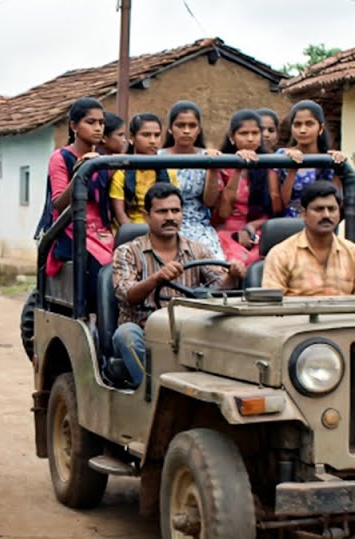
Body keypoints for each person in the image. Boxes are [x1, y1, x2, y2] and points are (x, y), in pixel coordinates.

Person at [110, 183, 245, 387]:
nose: (170, 217)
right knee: (126, 334)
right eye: (162, 212)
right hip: (146, 334)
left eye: (175, 211)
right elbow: (126, 295)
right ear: (147, 216)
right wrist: (156, 278)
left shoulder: (197, 250)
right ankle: (151, 391)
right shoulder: (127, 252)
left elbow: (219, 289)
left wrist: (233, 276)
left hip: (190, 333)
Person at [41, 97, 115, 313]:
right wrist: (81, 172)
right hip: (70, 228)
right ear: (74, 126)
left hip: (102, 230)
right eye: (90, 122)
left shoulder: (104, 159)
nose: (98, 128)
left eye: (101, 123)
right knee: (99, 272)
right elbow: (58, 204)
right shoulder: (61, 157)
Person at [262, 181, 355, 296]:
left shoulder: (354, 254)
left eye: (332, 209)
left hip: (343, 309)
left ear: (339, 213)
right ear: (304, 214)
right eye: (319, 209)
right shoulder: (281, 254)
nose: (326, 215)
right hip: (298, 309)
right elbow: (271, 303)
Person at [213, 109, 280, 266]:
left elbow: (275, 210)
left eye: (255, 133)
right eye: (244, 133)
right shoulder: (222, 164)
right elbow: (223, 214)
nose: (250, 139)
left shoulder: (269, 164)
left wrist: (250, 227)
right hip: (227, 231)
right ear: (232, 137)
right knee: (236, 260)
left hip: (258, 229)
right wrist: (238, 168)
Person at [158, 100, 223, 259]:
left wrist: (212, 167)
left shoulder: (207, 156)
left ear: (199, 130)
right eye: (180, 125)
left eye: (192, 126)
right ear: (170, 128)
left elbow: (210, 201)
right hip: (164, 222)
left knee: (214, 263)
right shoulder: (157, 157)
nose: (186, 131)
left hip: (198, 225)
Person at [278, 100, 347, 217]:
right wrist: (292, 169)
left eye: (309, 124)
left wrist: (338, 164)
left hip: (321, 220)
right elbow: (281, 203)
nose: (302, 130)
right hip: (290, 221)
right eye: (297, 124)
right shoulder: (281, 155)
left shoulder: (328, 159)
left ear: (320, 128)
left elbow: (337, 201)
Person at [110, 112, 178, 227]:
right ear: (132, 138)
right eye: (146, 135)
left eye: (157, 135)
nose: (153, 141)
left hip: (162, 227)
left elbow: (173, 208)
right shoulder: (121, 173)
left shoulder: (169, 172)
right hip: (130, 230)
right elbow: (120, 215)